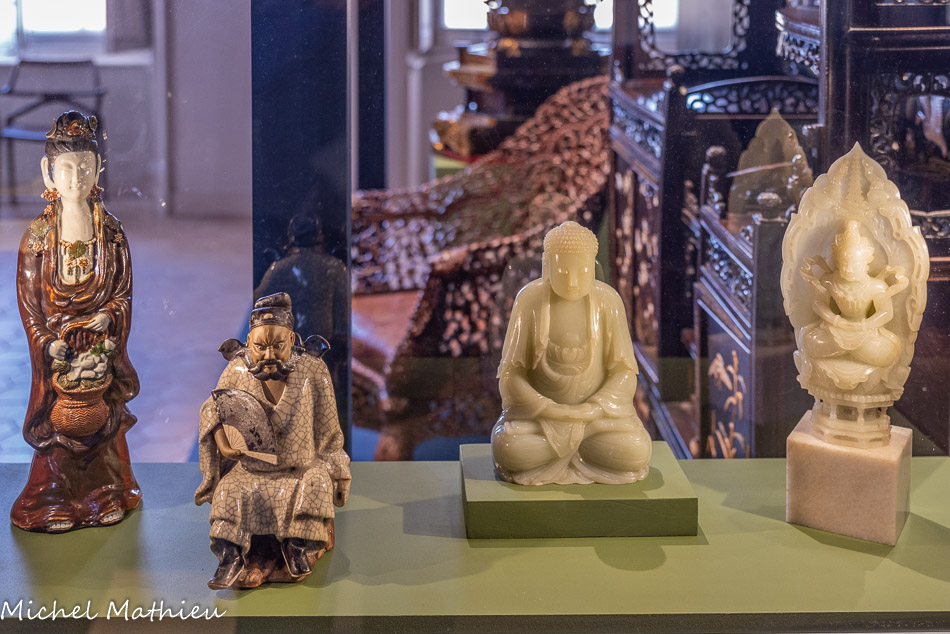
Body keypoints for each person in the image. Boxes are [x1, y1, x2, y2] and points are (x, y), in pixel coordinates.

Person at [11, 111, 141, 532]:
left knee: (104, 423)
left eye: (85, 167)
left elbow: (122, 292)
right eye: (66, 168)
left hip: (100, 348)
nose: (76, 178)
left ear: (99, 169)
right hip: (59, 353)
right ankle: (54, 499)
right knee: (58, 429)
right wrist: (47, 342)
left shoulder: (113, 235)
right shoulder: (37, 238)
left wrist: (108, 315)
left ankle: (107, 493)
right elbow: (30, 306)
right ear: (47, 172)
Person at [195, 293, 350, 589]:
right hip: (251, 471)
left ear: (291, 339)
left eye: (278, 346)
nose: (269, 355)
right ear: (248, 342)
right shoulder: (237, 370)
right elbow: (213, 409)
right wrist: (224, 445)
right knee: (229, 491)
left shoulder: (313, 369)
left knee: (316, 484)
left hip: (300, 471)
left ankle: (297, 547)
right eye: (260, 346)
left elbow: (329, 427)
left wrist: (338, 470)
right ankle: (231, 556)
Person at [491, 221, 652, 485]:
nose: (574, 282)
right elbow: (511, 375)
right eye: (563, 272)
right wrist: (548, 409)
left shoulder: (608, 301)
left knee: (636, 449)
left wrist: (593, 409)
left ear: (593, 266)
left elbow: (624, 372)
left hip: (595, 422)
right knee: (510, 447)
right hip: (541, 420)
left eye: (583, 271)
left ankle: (568, 453)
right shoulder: (529, 300)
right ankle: (573, 452)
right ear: (547, 266)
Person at [800, 220, 908, 393]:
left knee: (888, 352)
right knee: (809, 342)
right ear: (837, 261)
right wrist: (836, 320)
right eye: (844, 264)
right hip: (836, 330)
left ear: (865, 263)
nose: (849, 269)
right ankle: (848, 353)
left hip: (865, 333)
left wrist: (863, 325)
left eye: (855, 264)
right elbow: (819, 304)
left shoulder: (876, 286)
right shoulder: (829, 280)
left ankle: (854, 354)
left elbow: (886, 313)